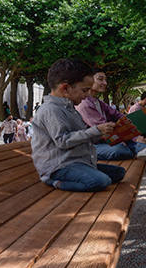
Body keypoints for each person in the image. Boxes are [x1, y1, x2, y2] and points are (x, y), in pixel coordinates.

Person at [30, 59, 126, 192]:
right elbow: (63, 141)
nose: (87, 95)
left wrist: (101, 133)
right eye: (85, 90)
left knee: (119, 173)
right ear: (65, 88)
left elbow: (82, 136)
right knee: (101, 181)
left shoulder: (70, 108)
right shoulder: (51, 110)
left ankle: (85, 173)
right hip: (59, 166)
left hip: (80, 162)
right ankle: (54, 182)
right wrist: (95, 130)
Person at [77, 70, 146, 160]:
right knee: (119, 149)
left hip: (107, 139)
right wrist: (130, 137)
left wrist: (128, 124)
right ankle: (141, 149)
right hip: (93, 144)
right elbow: (103, 128)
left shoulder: (98, 101)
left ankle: (142, 149)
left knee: (129, 142)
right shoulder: (84, 104)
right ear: (89, 80)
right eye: (100, 79)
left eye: (105, 80)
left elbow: (117, 115)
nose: (105, 83)